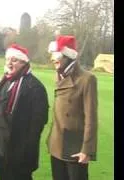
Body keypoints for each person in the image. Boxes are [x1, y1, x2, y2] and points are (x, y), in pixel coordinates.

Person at [0, 44, 49, 180]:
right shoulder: (4, 81)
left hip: (19, 151)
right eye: (7, 59)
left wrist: (25, 149)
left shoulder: (35, 87)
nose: (9, 63)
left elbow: (38, 122)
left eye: (14, 60)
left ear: (24, 62)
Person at [46, 35, 98, 180]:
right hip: (56, 144)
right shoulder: (59, 75)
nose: (52, 59)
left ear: (67, 55)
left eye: (56, 55)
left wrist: (87, 149)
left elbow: (91, 118)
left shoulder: (87, 79)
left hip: (75, 147)